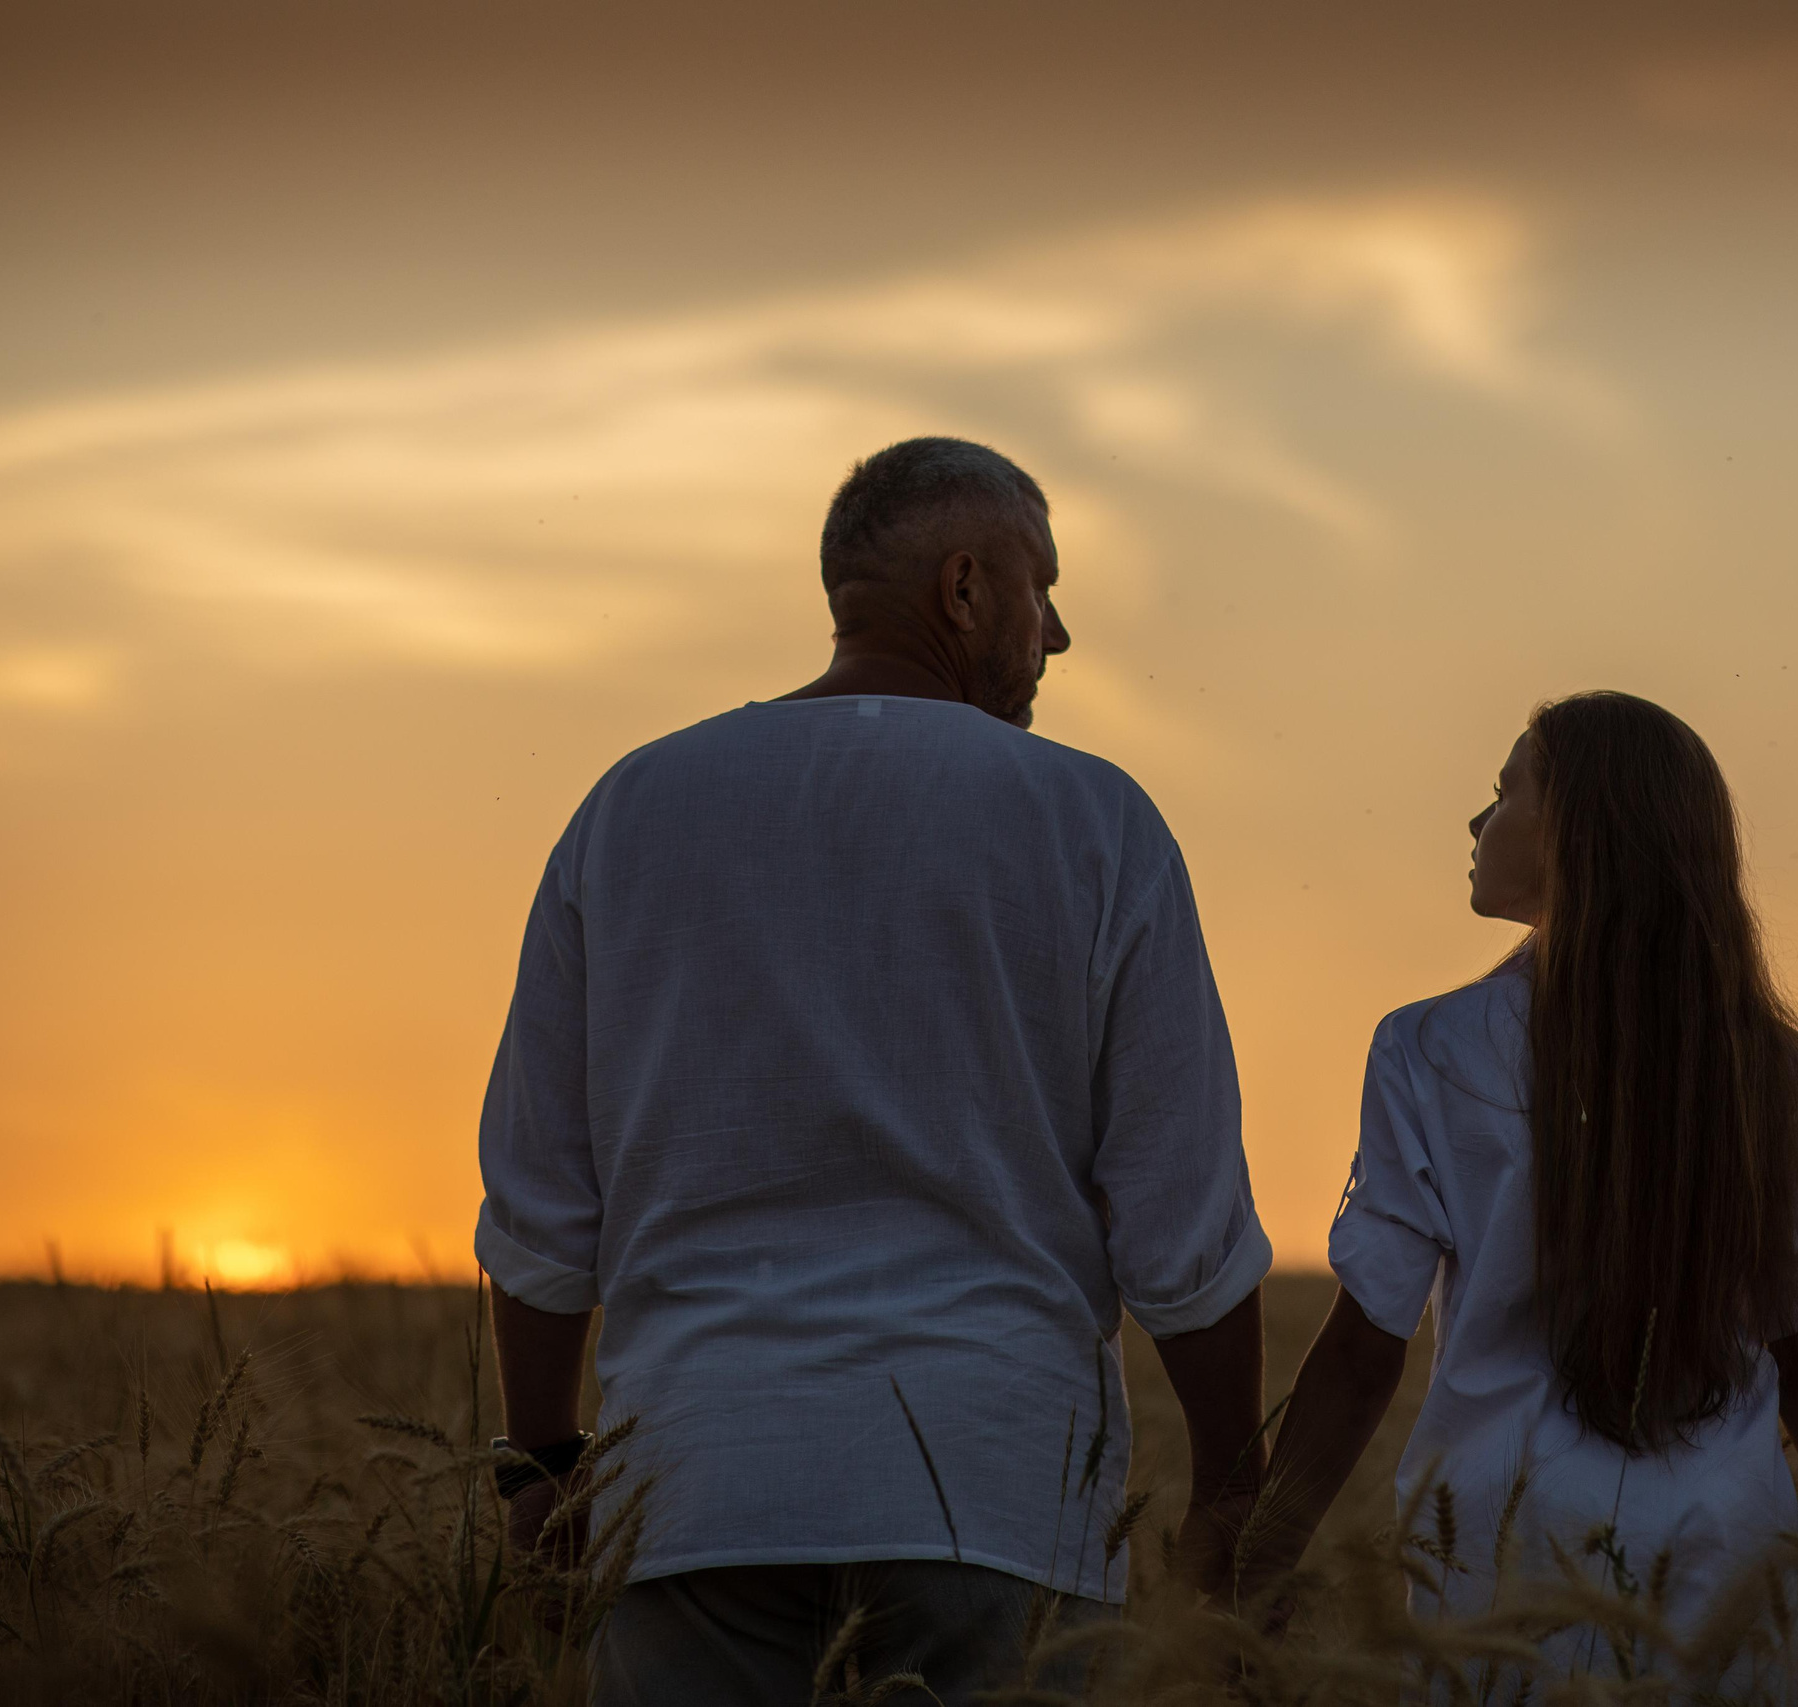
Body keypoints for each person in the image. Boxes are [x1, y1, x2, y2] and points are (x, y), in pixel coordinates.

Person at [474, 437, 1274, 1704]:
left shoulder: (631, 808)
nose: (1055, 634)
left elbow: (539, 1209)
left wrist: (542, 1469)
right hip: (999, 1498)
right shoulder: (1094, 822)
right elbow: (1181, 1223)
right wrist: (1233, 1495)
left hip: (694, 1496)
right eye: (1040, 588)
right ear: (964, 589)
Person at [1242, 692, 1798, 1699]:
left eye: (1507, 789)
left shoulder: (1430, 1048)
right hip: (1722, 1546)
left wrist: (1253, 1569)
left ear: (1581, 833)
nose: (1478, 820)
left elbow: (1362, 1346)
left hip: (1503, 1548)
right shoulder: (1769, 1068)